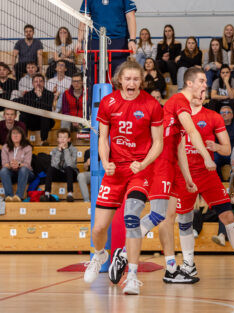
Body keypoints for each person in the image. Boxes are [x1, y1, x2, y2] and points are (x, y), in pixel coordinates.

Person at [116, 67, 216, 287]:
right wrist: (206, 156)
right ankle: (125, 253)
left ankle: (170, 268)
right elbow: (192, 132)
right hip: (159, 165)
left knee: (165, 216)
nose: (205, 85)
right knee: (161, 215)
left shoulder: (180, 110)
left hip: (171, 166)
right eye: (201, 81)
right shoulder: (179, 101)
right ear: (189, 83)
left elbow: (180, 146)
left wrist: (188, 177)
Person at [164, 96, 234, 279]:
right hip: (184, 174)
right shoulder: (178, 115)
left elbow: (228, 150)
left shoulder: (213, 116)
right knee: (184, 218)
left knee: (227, 214)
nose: (200, 94)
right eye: (197, 89)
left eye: (204, 90)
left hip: (207, 173)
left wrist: (216, 146)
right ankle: (189, 265)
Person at [83, 60, 164, 296]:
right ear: (120, 80)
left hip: (140, 171)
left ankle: (132, 276)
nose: (132, 83)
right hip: (115, 172)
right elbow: (103, 138)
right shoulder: (108, 103)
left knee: (131, 217)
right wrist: (105, 162)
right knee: (98, 229)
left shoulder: (151, 105)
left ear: (141, 80)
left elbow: (158, 142)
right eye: (127, 79)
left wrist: (145, 163)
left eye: (136, 79)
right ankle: (99, 256)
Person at [78, 0, 137, 85]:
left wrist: (132, 40)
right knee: (92, 76)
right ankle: (92, 98)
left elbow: (130, 16)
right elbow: (83, 19)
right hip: (95, 40)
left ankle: (119, 98)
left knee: (119, 75)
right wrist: (80, 40)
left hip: (118, 40)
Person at [40, 128, 78, 202]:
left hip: (71, 174)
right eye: (60, 137)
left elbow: (71, 165)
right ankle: (47, 193)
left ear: (69, 139)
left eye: (64, 137)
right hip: (60, 173)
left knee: (68, 168)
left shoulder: (74, 150)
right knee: (50, 168)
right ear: (57, 139)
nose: (62, 139)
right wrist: (59, 151)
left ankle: (70, 194)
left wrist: (66, 150)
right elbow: (54, 165)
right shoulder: (54, 150)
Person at [18, 73, 55, 146]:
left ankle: (44, 140)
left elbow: (48, 109)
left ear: (44, 83)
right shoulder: (28, 94)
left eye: (40, 81)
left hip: (45, 121)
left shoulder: (50, 94)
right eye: (36, 81)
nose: (38, 83)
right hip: (32, 121)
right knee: (22, 116)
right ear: (32, 83)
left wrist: (40, 97)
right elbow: (25, 109)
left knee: (45, 115)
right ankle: (23, 140)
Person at [0, 126, 34, 202]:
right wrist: (11, 165)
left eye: (18, 133)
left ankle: (19, 196)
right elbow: (4, 163)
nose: (15, 135)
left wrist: (18, 164)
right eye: (13, 133)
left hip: (26, 174)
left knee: (24, 169)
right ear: (10, 135)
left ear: (22, 135)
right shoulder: (5, 147)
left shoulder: (28, 147)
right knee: (3, 171)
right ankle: (9, 196)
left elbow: (27, 165)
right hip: (12, 173)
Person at [214, 105, 234, 180]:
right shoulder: (216, 125)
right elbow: (214, 143)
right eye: (222, 112)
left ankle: (232, 179)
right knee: (214, 158)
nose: (224, 114)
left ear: (232, 115)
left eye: (227, 112)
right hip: (220, 152)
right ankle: (219, 180)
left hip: (233, 152)